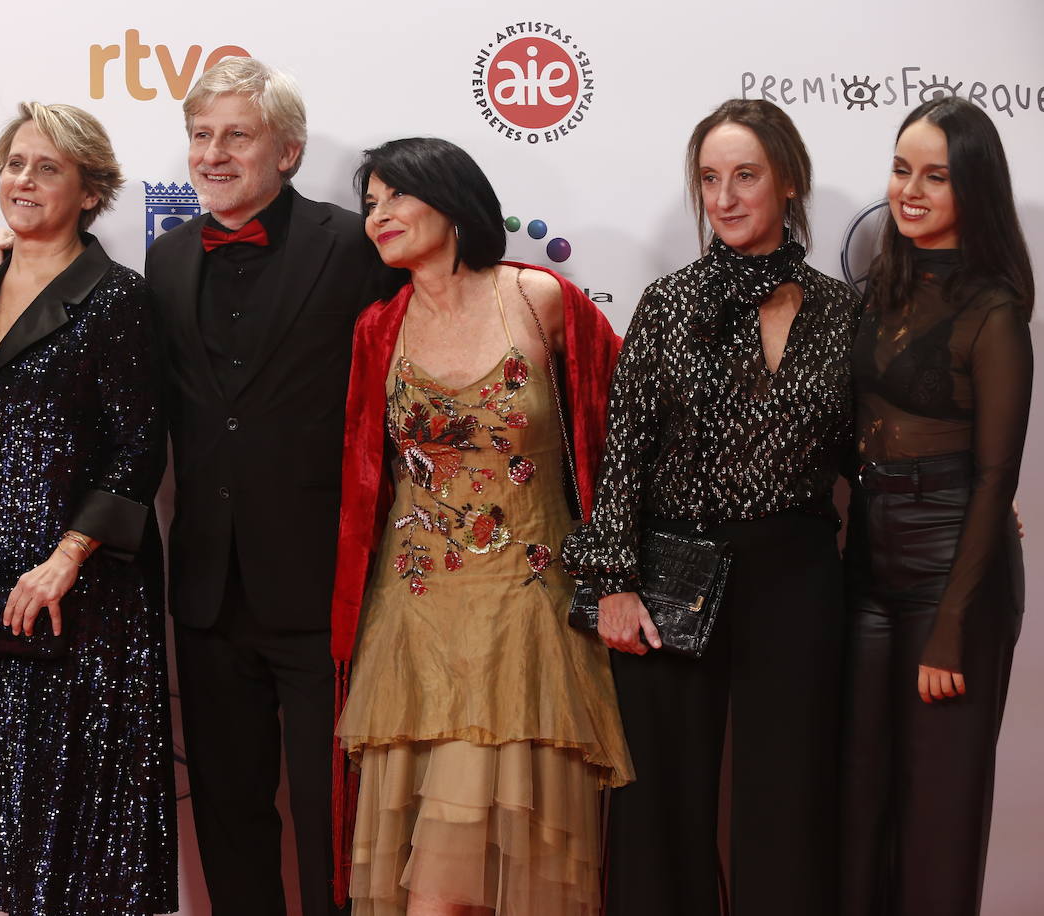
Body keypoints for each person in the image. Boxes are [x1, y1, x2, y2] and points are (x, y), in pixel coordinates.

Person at [560, 99, 860, 916]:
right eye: (709, 179)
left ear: (788, 182)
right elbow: (622, 452)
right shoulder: (668, 302)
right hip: (671, 568)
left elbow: (867, 452)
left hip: (796, 572)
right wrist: (615, 580)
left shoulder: (841, 311)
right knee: (661, 804)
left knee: (789, 799)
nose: (725, 197)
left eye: (746, 176)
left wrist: (959, 492)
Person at [331, 137, 632, 915]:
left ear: (454, 199)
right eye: (370, 205)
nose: (380, 216)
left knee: (508, 885)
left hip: (525, 623)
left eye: (397, 195)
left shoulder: (539, 299)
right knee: (428, 893)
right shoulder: (378, 328)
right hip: (413, 630)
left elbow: (623, 437)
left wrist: (621, 575)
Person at [0, 102, 174, 916]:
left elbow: (140, 446)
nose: (23, 180)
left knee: (74, 839)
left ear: (91, 191)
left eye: (47, 168)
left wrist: (65, 557)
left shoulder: (118, 298)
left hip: (78, 599)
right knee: (4, 826)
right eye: (15, 163)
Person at [143, 57, 386, 916]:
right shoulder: (166, 259)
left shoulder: (354, 243)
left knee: (334, 817)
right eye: (200, 136)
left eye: (235, 136)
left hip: (325, 586)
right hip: (208, 589)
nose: (213, 154)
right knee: (228, 814)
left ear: (287, 150)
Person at [839, 96, 1033, 916]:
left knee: (939, 819)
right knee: (855, 810)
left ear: (974, 189)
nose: (910, 191)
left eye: (936, 177)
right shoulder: (876, 282)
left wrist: (953, 625)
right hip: (865, 568)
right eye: (900, 169)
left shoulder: (993, 312)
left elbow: (997, 480)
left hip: (951, 574)